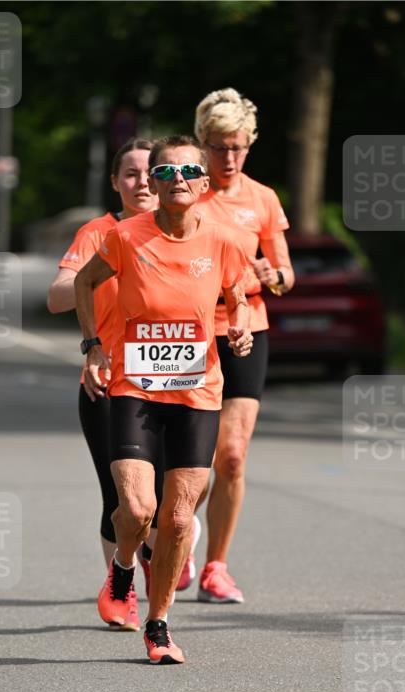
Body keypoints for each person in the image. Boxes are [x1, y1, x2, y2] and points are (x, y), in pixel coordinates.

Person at [75, 135, 252, 665]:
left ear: (204, 182)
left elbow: (238, 295)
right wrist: (93, 346)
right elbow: (84, 283)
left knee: (176, 520)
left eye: (188, 171)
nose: (178, 180)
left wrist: (240, 327)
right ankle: (122, 569)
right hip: (136, 389)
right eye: (167, 172)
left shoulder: (224, 239)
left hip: (198, 394)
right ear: (153, 182)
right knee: (136, 508)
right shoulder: (126, 237)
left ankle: (158, 625)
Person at [194, 87, 294, 603]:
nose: (228, 158)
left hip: (246, 326)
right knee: (190, 462)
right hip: (190, 330)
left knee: (231, 457)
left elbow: (285, 275)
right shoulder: (186, 192)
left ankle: (216, 567)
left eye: (237, 147)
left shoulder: (263, 199)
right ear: (202, 144)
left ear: (249, 145)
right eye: (218, 148)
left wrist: (271, 274)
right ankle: (172, 540)